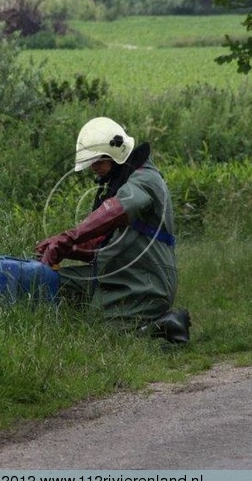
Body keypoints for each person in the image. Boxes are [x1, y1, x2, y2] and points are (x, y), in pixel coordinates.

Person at [35, 117, 191, 344]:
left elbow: (118, 209)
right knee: (51, 283)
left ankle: (162, 324)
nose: (93, 168)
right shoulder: (121, 183)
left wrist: (69, 237)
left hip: (144, 282)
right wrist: (64, 248)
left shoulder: (145, 179)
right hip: (116, 275)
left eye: (97, 161)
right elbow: (102, 245)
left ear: (115, 154)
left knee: (99, 339)